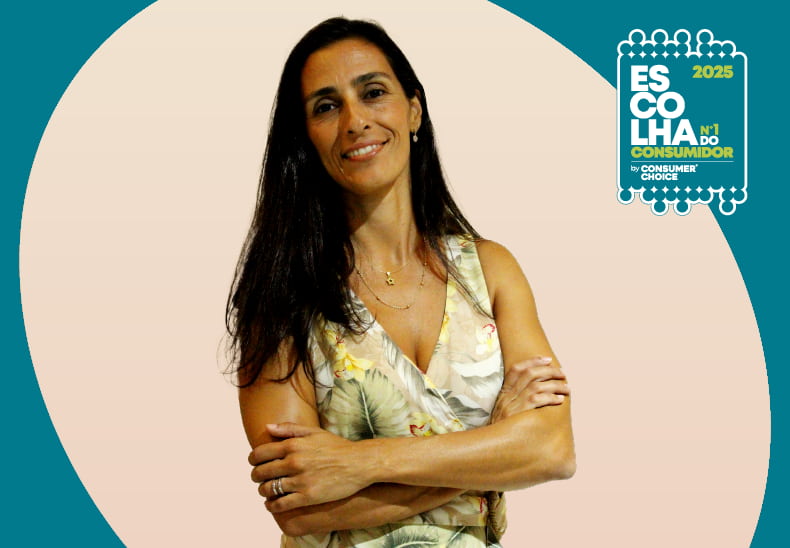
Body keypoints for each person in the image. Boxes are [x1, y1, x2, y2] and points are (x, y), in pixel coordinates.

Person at [226, 17, 575, 547]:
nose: (355, 121)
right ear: (306, 138)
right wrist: (491, 448)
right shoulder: (283, 294)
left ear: (414, 109)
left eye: (372, 93)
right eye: (327, 106)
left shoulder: (491, 270)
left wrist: (361, 463)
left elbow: (552, 450)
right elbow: (298, 511)